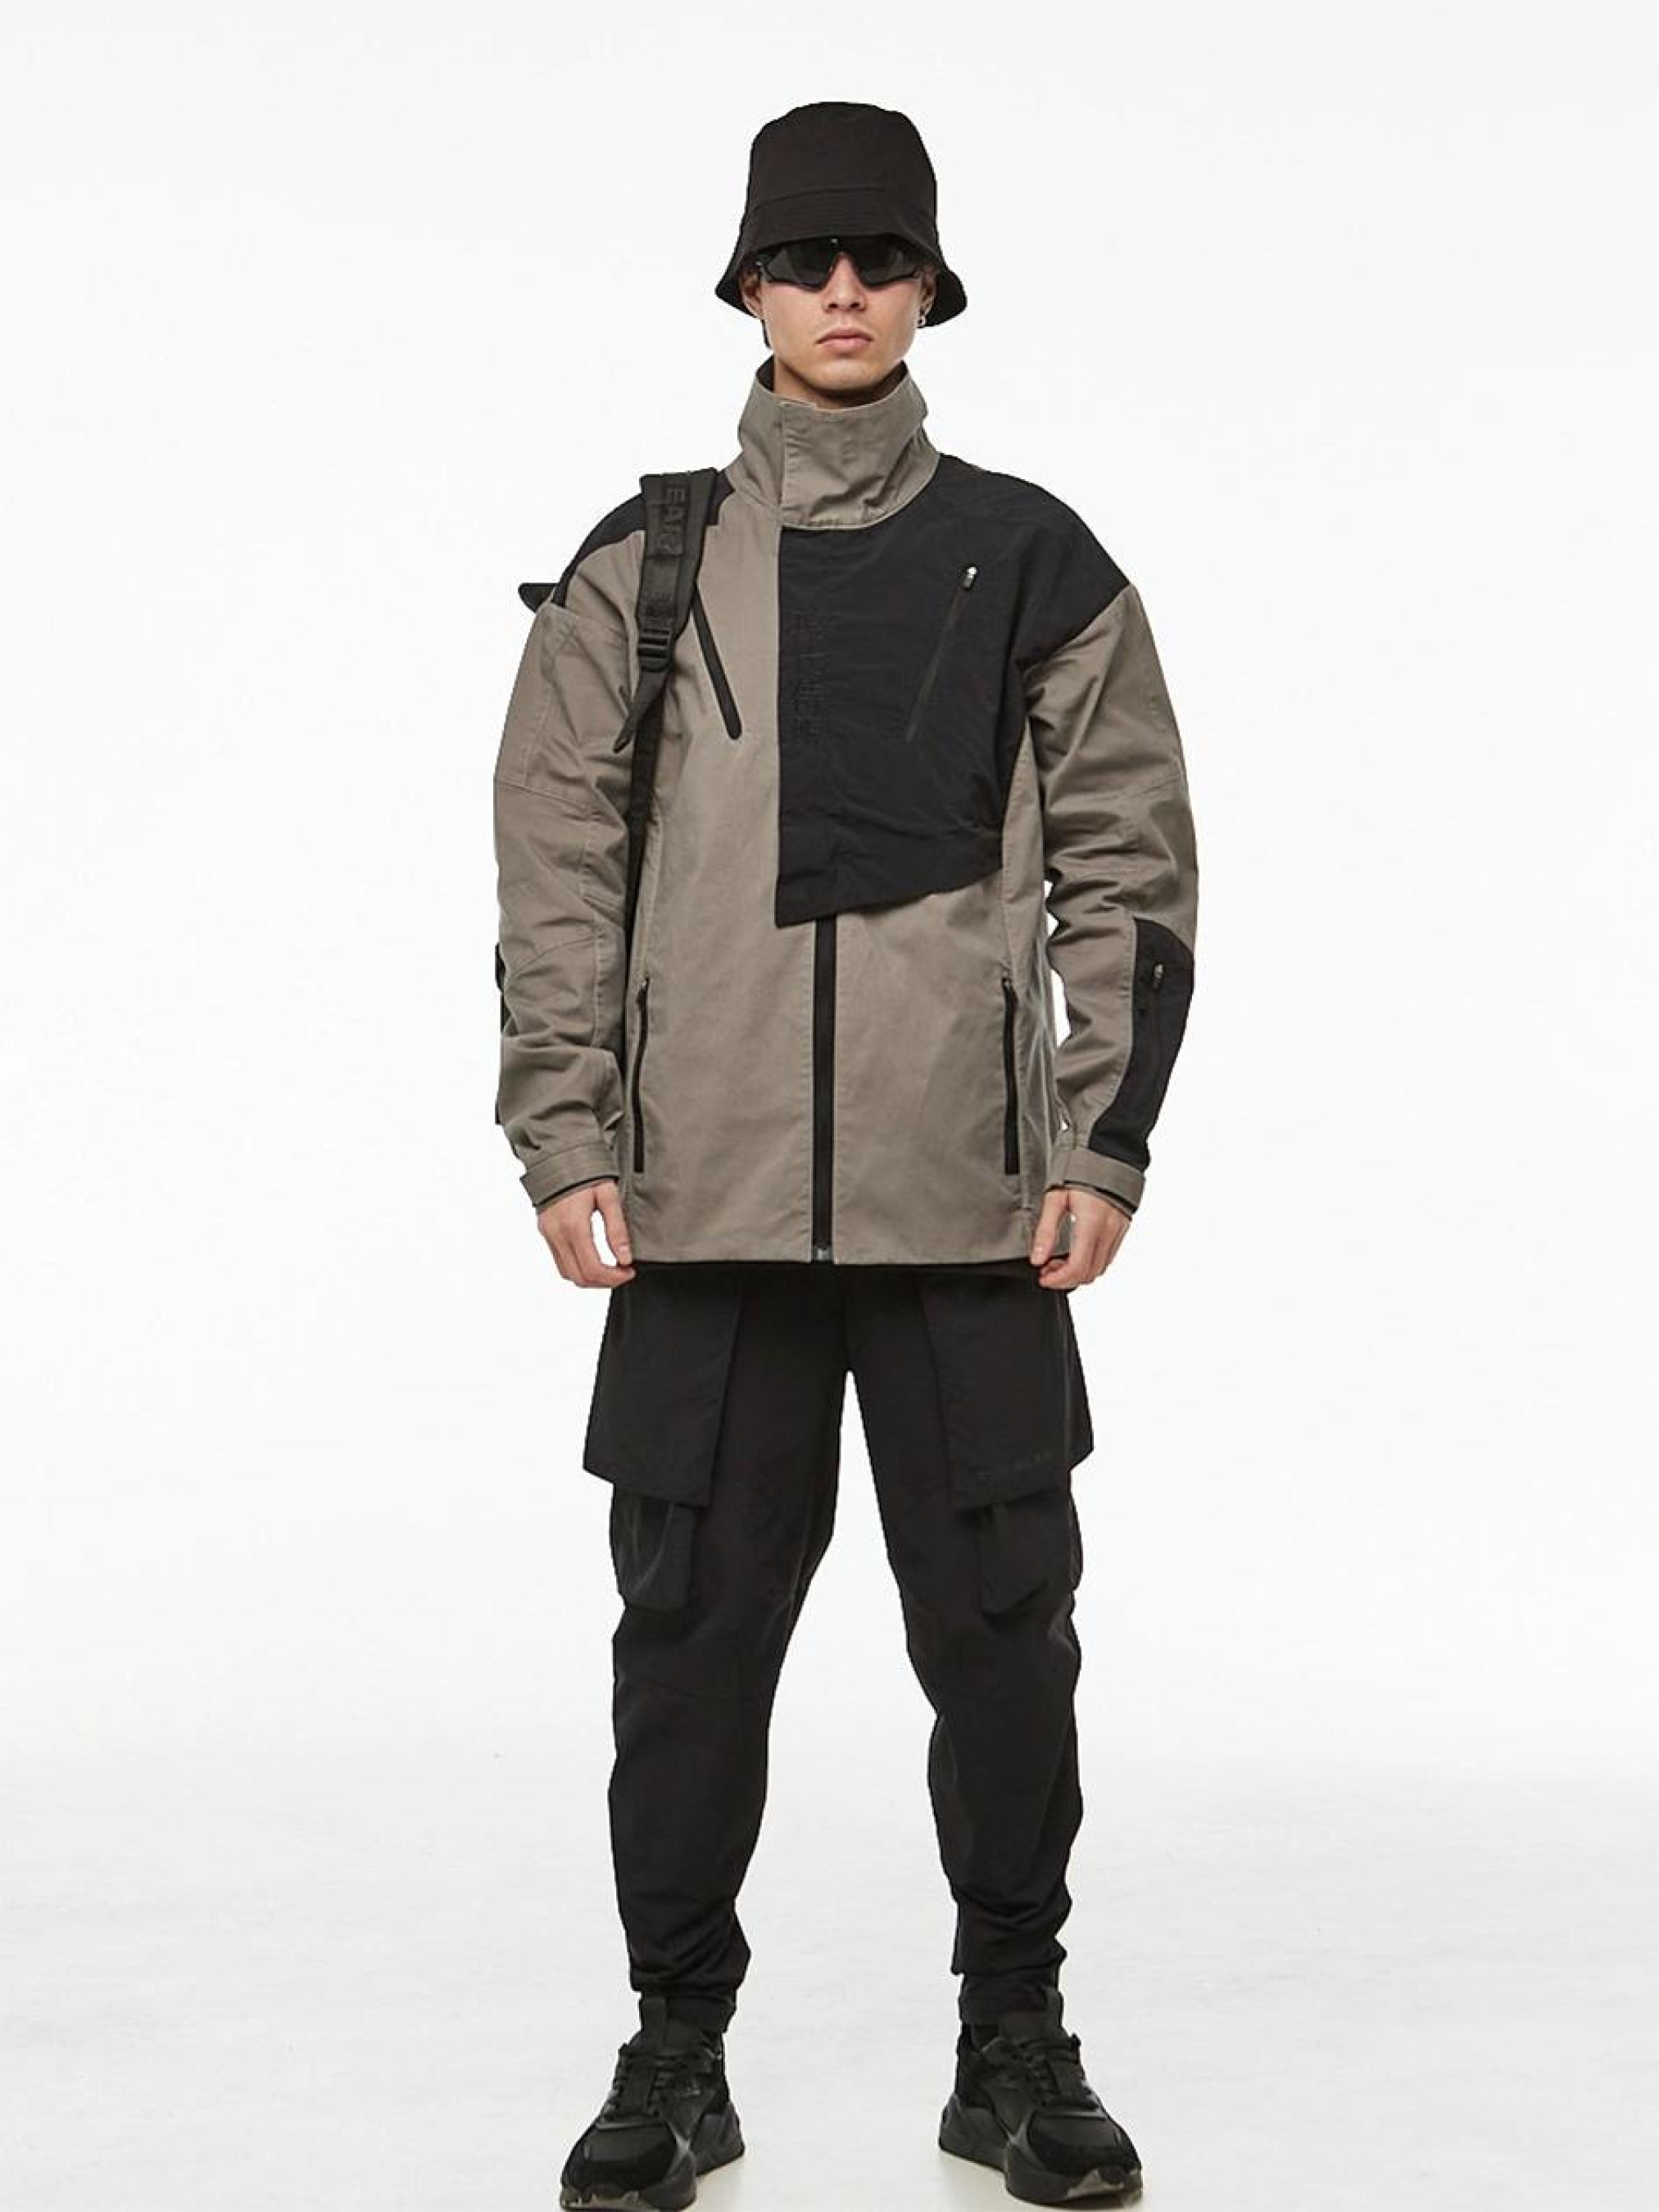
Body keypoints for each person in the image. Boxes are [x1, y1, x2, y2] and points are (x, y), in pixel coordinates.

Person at [492, 98, 1198, 2210]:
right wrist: (563, 1130)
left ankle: (1015, 2045)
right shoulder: (642, 567)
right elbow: (557, 872)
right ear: (748, 285)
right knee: (688, 1652)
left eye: (881, 259)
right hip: (700, 1211)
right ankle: (675, 2049)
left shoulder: (1036, 558)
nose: (842, 293)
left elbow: (1130, 865)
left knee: (1005, 1643)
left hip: (967, 1208)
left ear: (930, 288)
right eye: (804, 259)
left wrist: (1101, 1138)